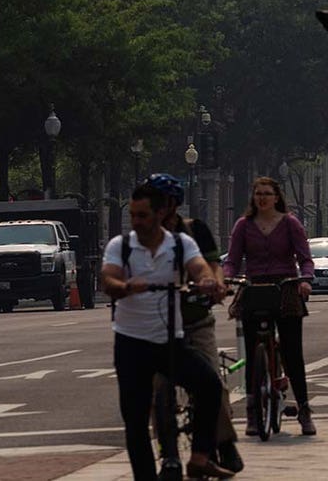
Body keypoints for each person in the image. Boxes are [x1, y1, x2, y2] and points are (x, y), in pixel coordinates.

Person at [101, 184, 234, 480]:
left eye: (143, 215)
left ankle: (200, 456)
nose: (136, 221)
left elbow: (199, 266)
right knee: (135, 421)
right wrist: (125, 287)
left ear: (161, 213)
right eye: (133, 215)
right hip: (131, 344)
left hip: (168, 342)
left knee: (209, 385)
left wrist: (207, 281)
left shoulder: (179, 244)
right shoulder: (120, 246)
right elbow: (108, 280)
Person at [145, 173, 242, 474]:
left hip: (196, 320)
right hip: (157, 327)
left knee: (213, 383)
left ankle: (223, 444)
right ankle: (168, 452)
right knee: (157, 390)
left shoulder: (194, 231)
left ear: (174, 204)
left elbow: (211, 264)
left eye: (163, 201)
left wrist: (213, 283)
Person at [223, 176, 316, 436]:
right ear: (253, 198)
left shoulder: (290, 224)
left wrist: (305, 281)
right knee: (252, 351)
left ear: (277, 197)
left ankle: (305, 410)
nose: (262, 198)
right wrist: (227, 278)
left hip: (285, 286)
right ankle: (253, 412)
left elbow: (305, 259)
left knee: (292, 351)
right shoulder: (244, 225)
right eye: (258, 194)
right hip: (254, 287)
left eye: (267, 193)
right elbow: (232, 260)